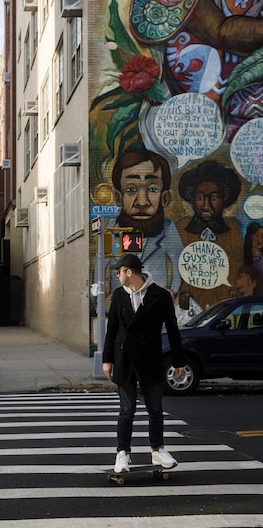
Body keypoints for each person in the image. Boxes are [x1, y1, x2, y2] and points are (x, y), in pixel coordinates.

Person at [102, 253, 186, 473]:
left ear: (129, 272)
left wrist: (179, 361)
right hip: (125, 359)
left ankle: (158, 450)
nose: (117, 275)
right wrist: (107, 360)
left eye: (119, 271)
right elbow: (112, 330)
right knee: (127, 410)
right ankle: (122, 454)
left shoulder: (160, 296)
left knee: (155, 409)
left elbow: (173, 329)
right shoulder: (119, 296)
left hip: (150, 359)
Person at [112, 148, 183, 295]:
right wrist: (102, 299)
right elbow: (101, 266)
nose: (142, 202)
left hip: (154, 301)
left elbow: (179, 264)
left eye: (153, 189)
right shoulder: (112, 228)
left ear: (165, 198)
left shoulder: (168, 228)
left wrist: (172, 291)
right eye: (131, 189)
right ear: (119, 197)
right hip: (123, 300)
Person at [177, 160, 243, 307]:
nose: (206, 205)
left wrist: (233, 289)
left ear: (224, 199)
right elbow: (176, 264)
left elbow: (236, 262)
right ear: (192, 199)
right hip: (191, 299)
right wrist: (182, 292)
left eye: (214, 198)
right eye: (200, 198)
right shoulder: (182, 227)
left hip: (222, 298)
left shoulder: (232, 227)